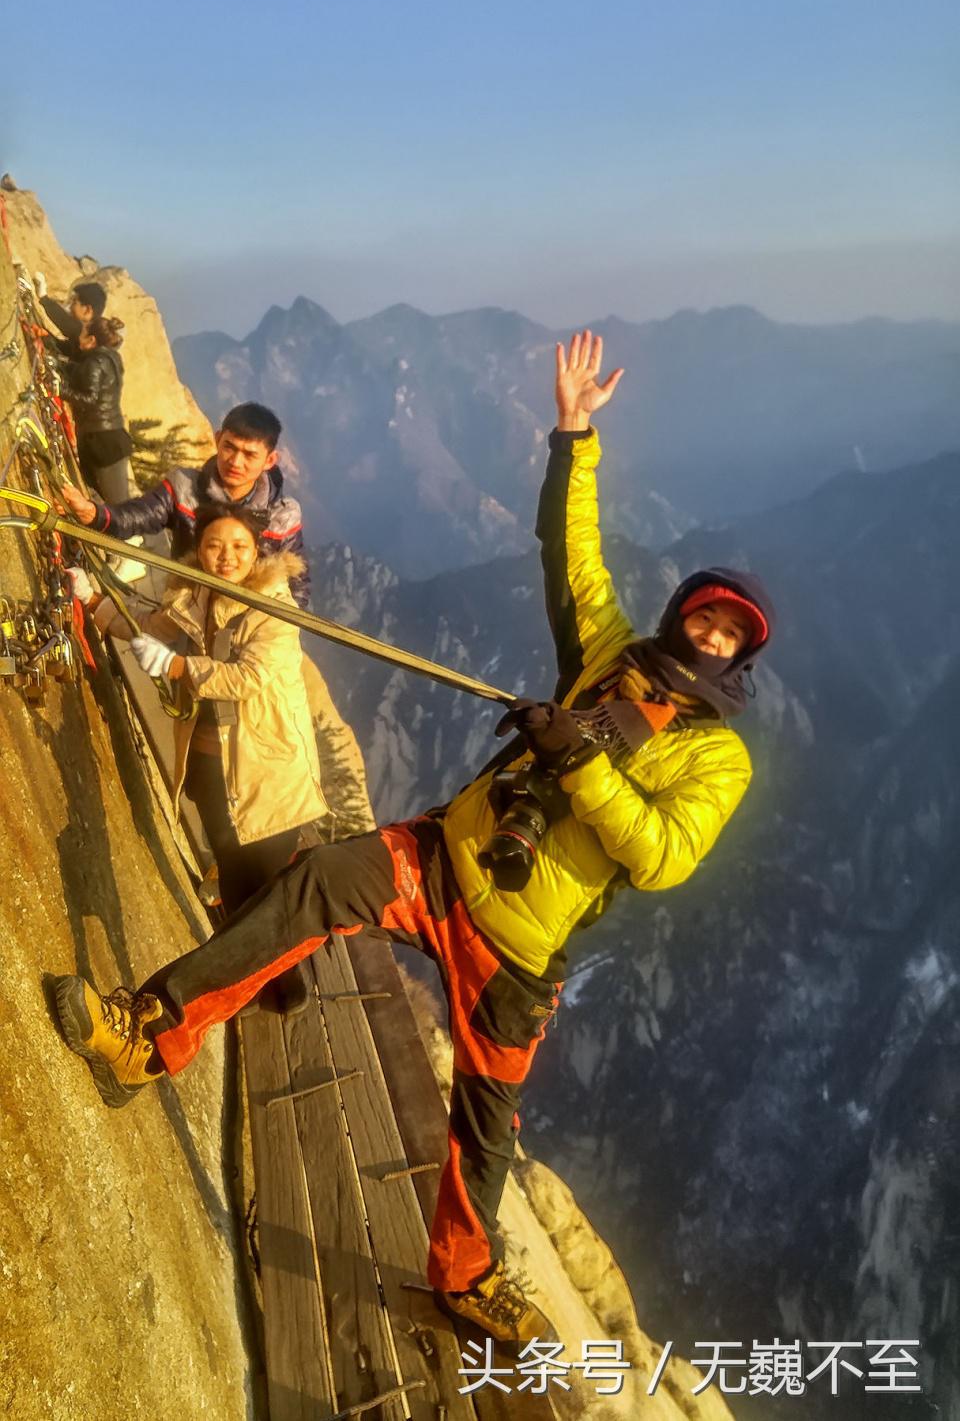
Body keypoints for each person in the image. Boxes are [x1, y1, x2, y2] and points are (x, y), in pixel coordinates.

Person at [54, 331, 775, 1346]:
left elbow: (661, 855)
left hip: (521, 949)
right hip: (446, 858)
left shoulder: (720, 760)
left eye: (729, 636)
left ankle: (464, 1274)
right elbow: (572, 555)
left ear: (741, 657)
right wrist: (574, 435)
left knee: (483, 1132)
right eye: (705, 619)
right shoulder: (613, 652)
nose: (710, 637)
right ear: (681, 616)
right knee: (309, 890)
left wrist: (579, 760)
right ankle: (148, 1032)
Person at [70, 502, 330, 1011]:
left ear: (258, 551)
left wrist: (178, 668)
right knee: (234, 873)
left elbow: (250, 678)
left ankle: (284, 983)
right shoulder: (195, 593)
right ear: (199, 548)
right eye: (214, 545)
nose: (226, 556)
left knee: (268, 888)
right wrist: (96, 601)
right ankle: (245, 980)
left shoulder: (275, 608)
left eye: (238, 546)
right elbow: (150, 627)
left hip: (267, 770)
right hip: (213, 768)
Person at [59, 401, 311, 608]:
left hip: (244, 627)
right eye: (229, 448)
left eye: (249, 455)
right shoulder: (185, 488)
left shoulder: (282, 517)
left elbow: (296, 586)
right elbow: (138, 515)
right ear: (217, 439)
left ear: (270, 461)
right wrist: (93, 514)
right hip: (185, 608)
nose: (235, 462)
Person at [49, 313, 133, 505]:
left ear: (92, 340)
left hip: (103, 443)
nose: (79, 335)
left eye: (83, 332)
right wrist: (59, 365)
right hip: (105, 438)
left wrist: (60, 390)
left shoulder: (96, 362)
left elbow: (90, 399)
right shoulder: (108, 358)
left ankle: (127, 535)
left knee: (117, 504)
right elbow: (80, 372)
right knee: (99, 495)